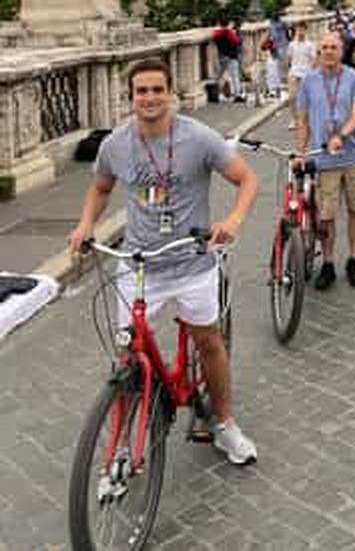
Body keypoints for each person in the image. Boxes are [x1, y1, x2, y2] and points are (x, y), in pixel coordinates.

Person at [67, 57, 259, 465]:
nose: (150, 98)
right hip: (139, 265)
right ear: (131, 97)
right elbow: (100, 189)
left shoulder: (199, 138)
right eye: (141, 91)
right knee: (128, 356)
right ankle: (120, 446)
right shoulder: (115, 144)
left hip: (192, 260)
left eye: (157, 90)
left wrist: (234, 219)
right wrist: (85, 225)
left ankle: (225, 424)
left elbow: (247, 179)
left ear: (170, 93)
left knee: (209, 342)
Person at [296, 30, 355, 290]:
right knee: (326, 216)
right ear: (319, 52)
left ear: (342, 51)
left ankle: (354, 260)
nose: (328, 51)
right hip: (324, 159)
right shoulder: (308, 81)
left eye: (333, 47)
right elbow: (303, 120)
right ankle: (327, 263)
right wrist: (301, 151)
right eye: (324, 47)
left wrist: (341, 135)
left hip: (354, 155)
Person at [285, 22, 317, 130]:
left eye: (302, 29)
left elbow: (313, 60)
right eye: (298, 29)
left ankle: (307, 119)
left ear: (305, 30)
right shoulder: (291, 45)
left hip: (306, 73)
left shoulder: (310, 45)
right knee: (292, 97)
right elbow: (289, 59)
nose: (300, 32)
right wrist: (290, 71)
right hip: (294, 72)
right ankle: (294, 119)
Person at [213, 18, 244, 102]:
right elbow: (237, 42)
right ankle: (237, 95)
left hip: (222, 56)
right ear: (228, 24)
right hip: (231, 56)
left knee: (219, 75)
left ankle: (214, 92)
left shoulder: (216, 33)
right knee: (235, 75)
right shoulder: (229, 33)